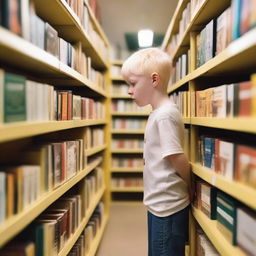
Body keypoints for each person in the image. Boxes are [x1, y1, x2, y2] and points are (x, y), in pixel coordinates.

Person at [121, 47, 191, 256]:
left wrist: (190, 183)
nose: (129, 90)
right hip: (159, 203)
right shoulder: (158, 113)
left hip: (167, 206)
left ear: (154, 80)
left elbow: (176, 156)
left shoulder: (164, 116)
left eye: (133, 83)